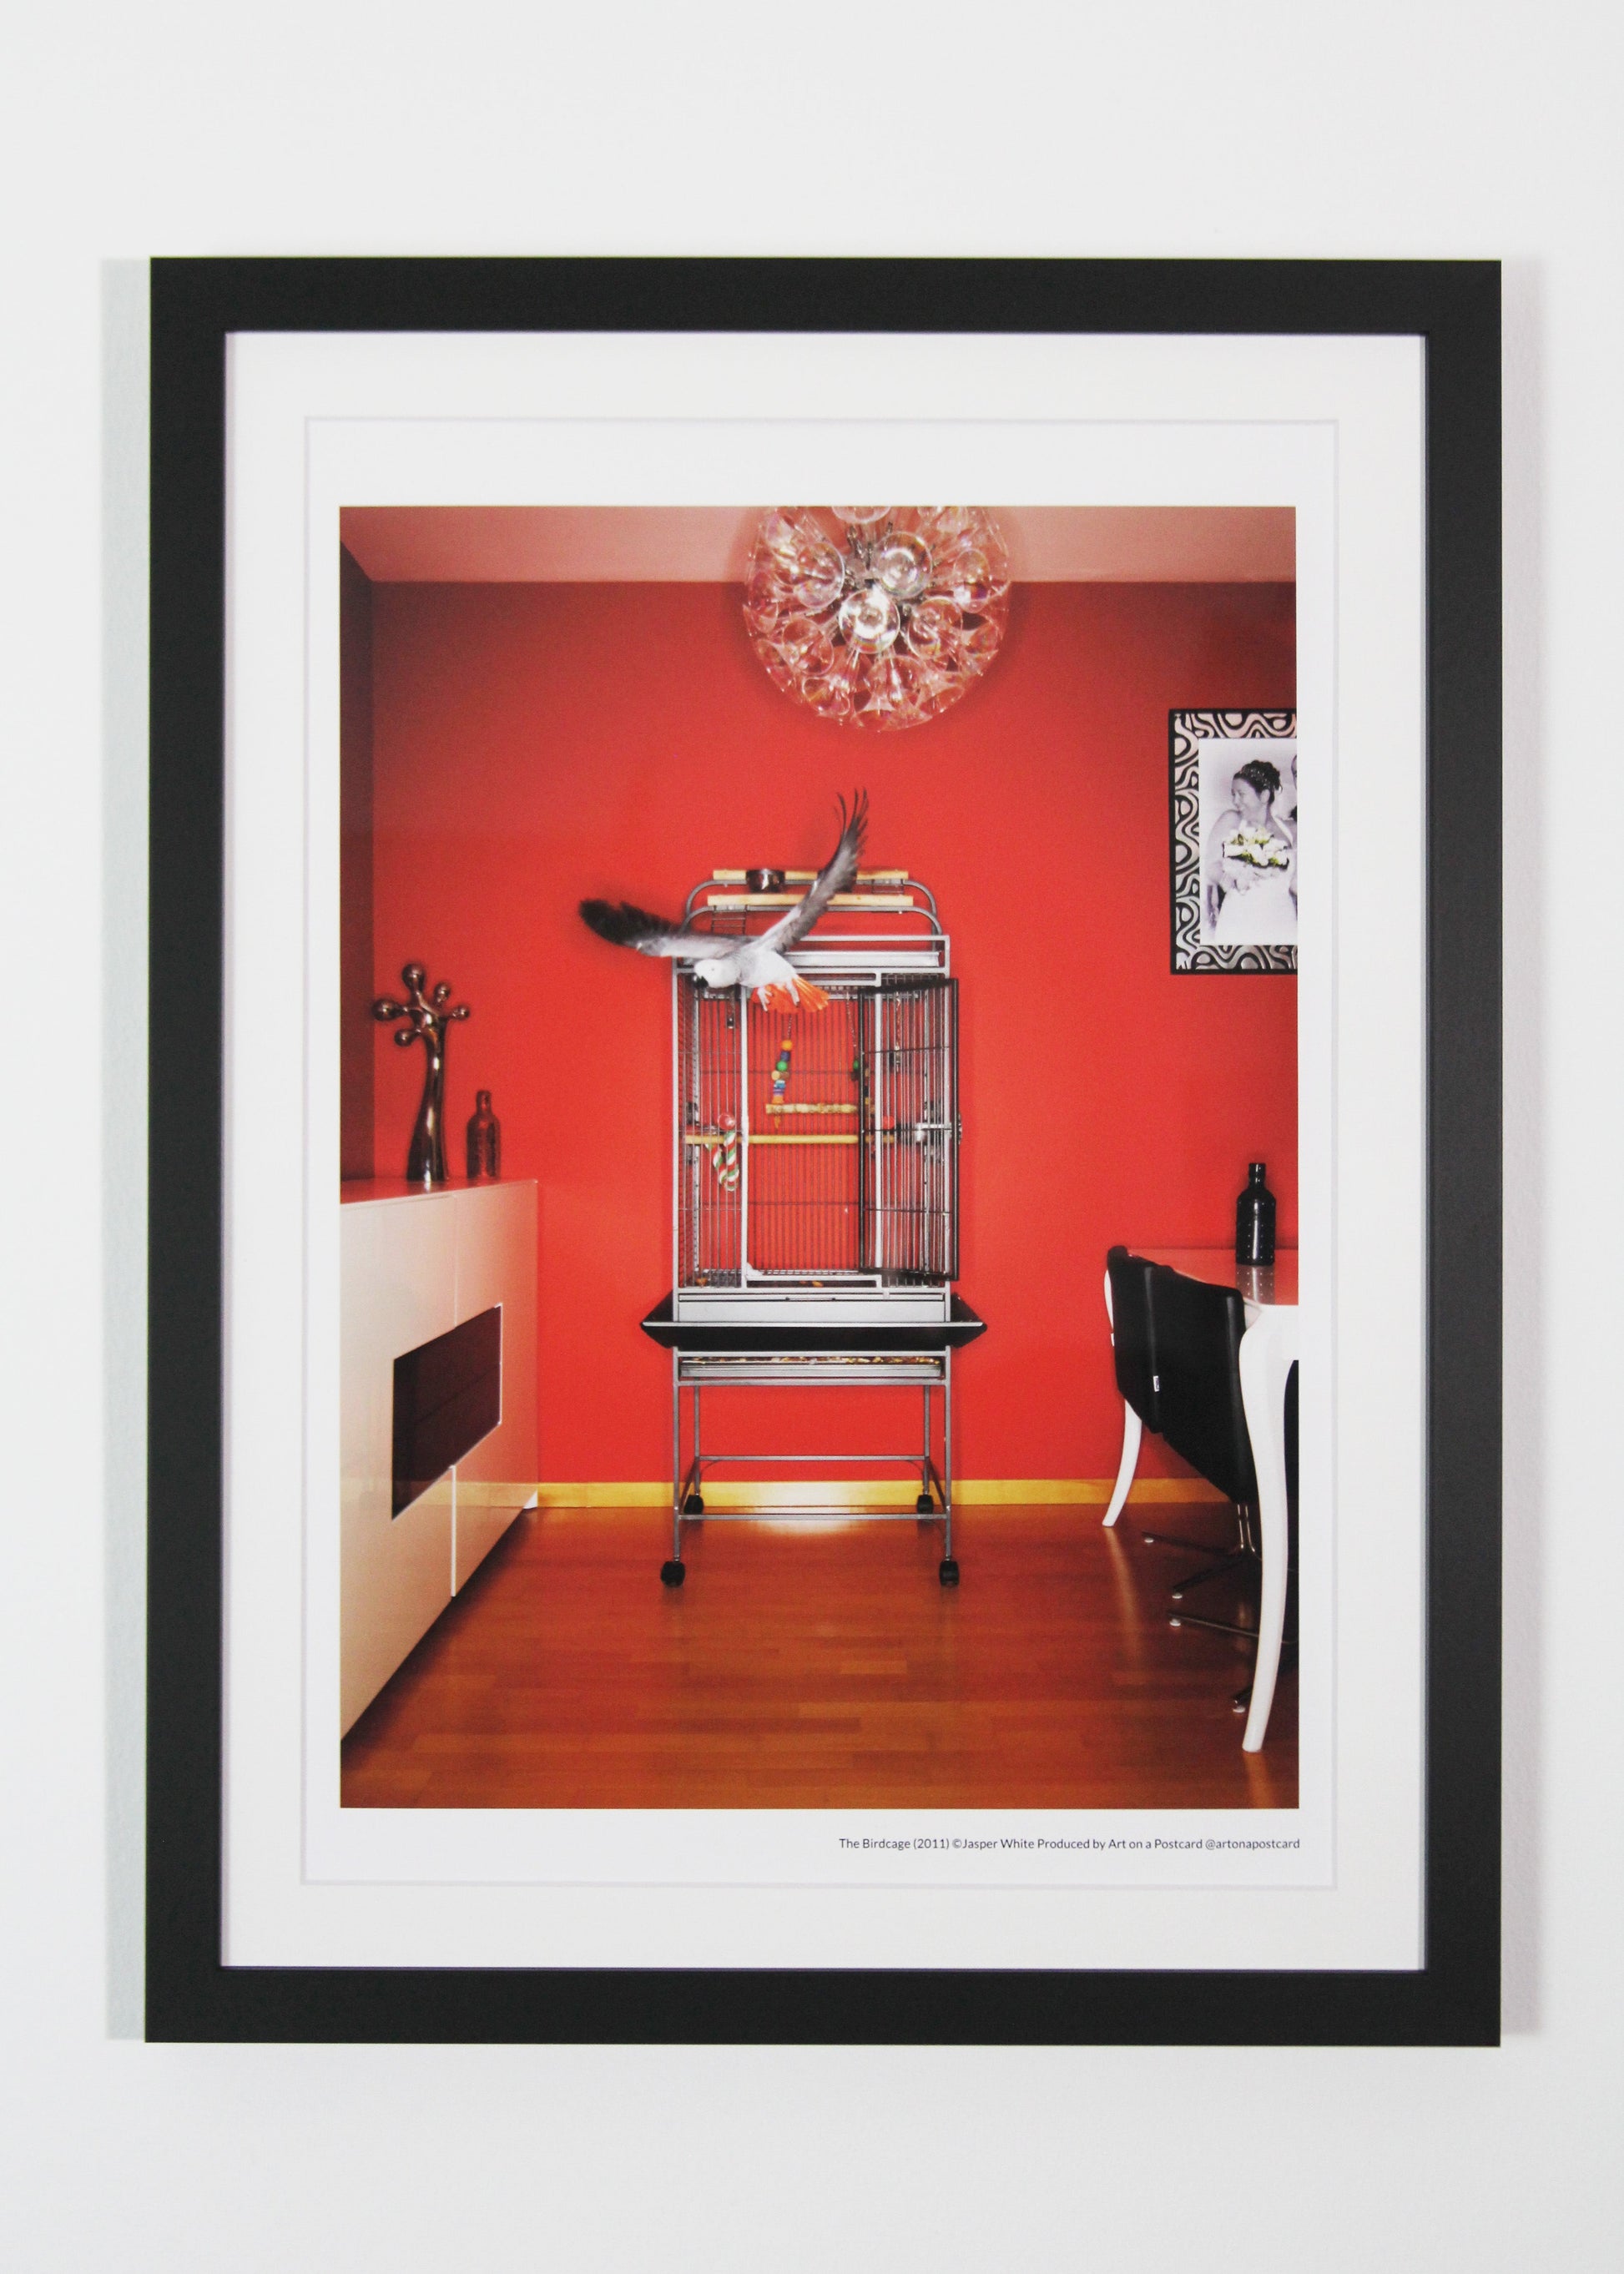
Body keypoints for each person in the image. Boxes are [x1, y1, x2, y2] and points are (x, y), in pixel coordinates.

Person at [1203, 755, 1296, 945]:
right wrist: (1229, 879)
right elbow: (1209, 865)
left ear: (1264, 796)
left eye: (1241, 794)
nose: (1235, 801)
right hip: (1239, 917)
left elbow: (1296, 883)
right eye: (1233, 794)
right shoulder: (1230, 820)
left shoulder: (1291, 830)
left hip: (1282, 918)